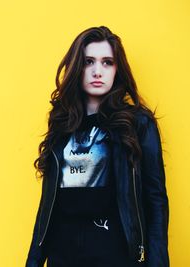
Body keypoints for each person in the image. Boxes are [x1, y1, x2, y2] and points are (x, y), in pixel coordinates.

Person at [25, 26, 169, 267]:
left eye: (107, 62)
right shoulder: (62, 125)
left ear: (117, 69)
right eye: (88, 61)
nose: (97, 71)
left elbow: (156, 202)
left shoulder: (137, 124)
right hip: (63, 257)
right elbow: (47, 208)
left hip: (117, 258)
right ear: (76, 68)